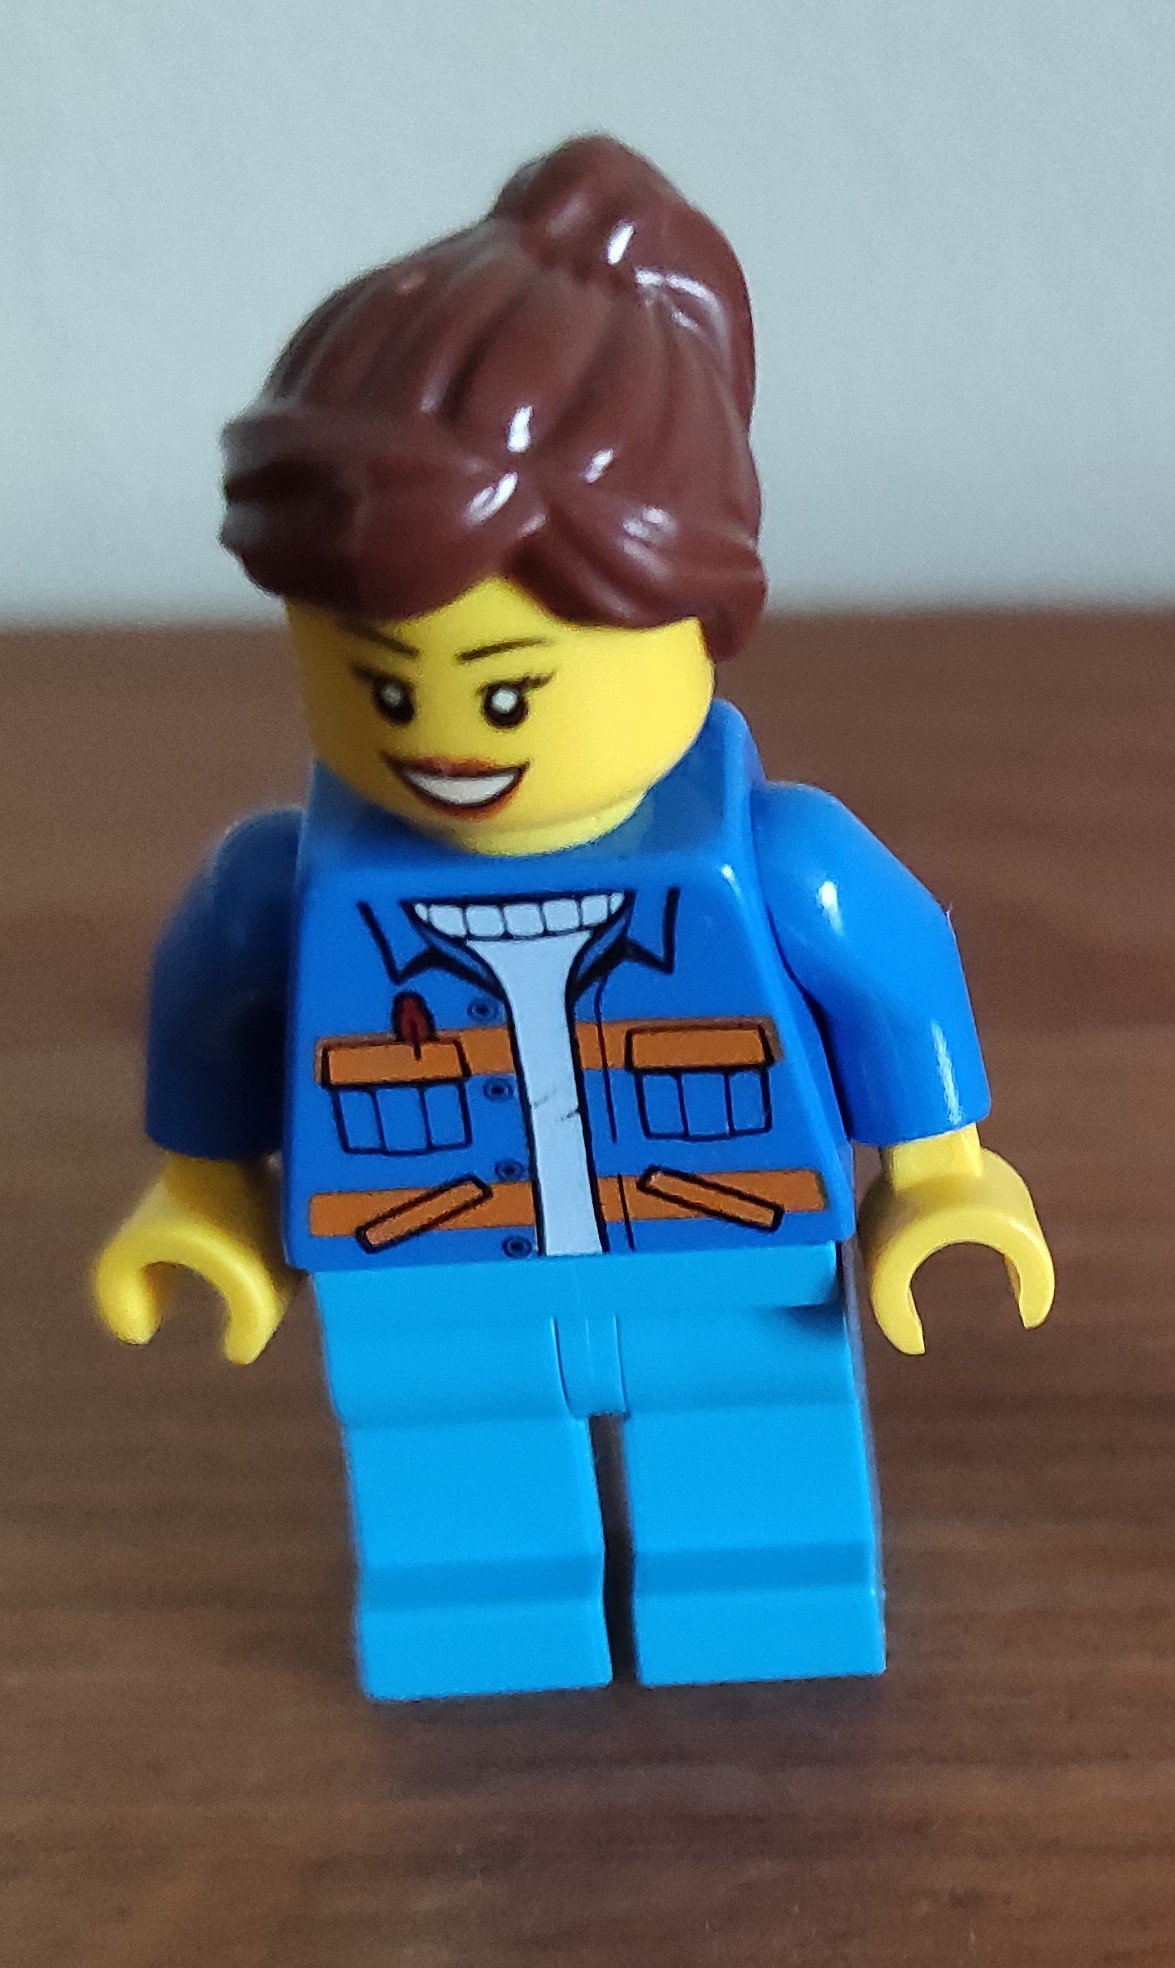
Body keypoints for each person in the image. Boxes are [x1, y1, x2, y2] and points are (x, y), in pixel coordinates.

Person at [92, 136, 1054, 1702]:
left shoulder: (779, 859)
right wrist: (203, 1201)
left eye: (507, 690)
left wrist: (941, 1179)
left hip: (725, 1248)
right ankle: (480, 1612)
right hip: (429, 1268)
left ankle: (768, 1595)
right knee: (454, 1497)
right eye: (380, 685)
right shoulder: (282, 886)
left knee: (756, 1483)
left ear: (693, 617)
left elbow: (894, 986)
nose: (443, 738)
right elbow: (211, 1015)